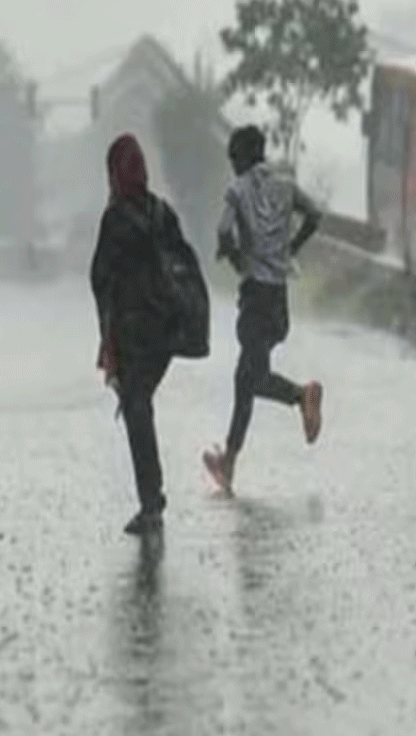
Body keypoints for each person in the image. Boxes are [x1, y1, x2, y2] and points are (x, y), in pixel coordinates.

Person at [202, 125, 324, 494]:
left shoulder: (237, 189)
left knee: (250, 379)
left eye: (232, 159)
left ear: (240, 157)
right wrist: (290, 250)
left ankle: (302, 395)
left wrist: (237, 258)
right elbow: (315, 214)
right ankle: (229, 463)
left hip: (255, 297)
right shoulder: (285, 184)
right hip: (279, 299)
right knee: (246, 379)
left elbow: (223, 231)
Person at [90, 133, 192, 535]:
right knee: (139, 404)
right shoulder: (162, 212)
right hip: (163, 333)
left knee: (136, 407)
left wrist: (107, 335)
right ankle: (152, 499)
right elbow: (183, 263)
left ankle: (152, 503)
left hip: (133, 333)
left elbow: (101, 277)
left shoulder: (115, 218)